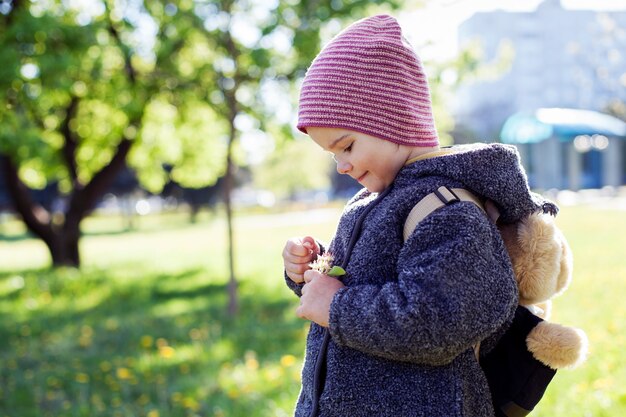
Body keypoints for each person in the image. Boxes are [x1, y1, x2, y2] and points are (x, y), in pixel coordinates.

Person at [282, 14, 549, 416]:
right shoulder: (372, 202)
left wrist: (337, 309)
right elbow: (363, 282)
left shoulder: (448, 211)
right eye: (333, 154)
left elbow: (440, 321)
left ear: (393, 117)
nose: (341, 165)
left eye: (348, 146)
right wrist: (310, 269)